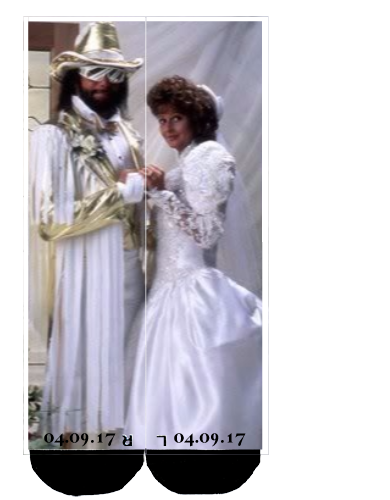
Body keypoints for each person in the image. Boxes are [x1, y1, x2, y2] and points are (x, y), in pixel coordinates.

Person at [124, 75, 263, 450]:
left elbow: (206, 233)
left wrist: (160, 193)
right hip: (168, 289)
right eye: (162, 119)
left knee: (194, 390)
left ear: (196, 119)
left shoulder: (209, 157)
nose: (167, 128)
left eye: (176, 118)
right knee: (165, 392)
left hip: (192, 292)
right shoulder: (188, 159)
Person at [30, 22, 146, 443]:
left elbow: (140, 209)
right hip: (84, 270)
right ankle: (81, 447)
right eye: (94, 72)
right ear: (75, 76)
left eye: (113, 74)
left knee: (128, 357)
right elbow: (50, 219)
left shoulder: (129, 135)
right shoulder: (54, 136)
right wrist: (120, 194)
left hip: (130, 268)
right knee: (84, 358)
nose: (103, 83)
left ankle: (121, 444)